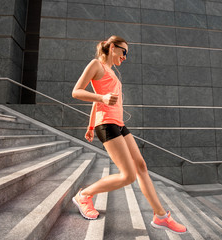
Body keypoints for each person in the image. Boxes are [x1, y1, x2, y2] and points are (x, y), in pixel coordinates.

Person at [71, 35, 187, 234]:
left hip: (118, 124)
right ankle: (85, 195)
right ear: (113, 47)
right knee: (128, 176)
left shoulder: (111, 71)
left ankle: (161, 217)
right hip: (106, 125)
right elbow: (76, 92)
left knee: (141, 165)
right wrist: (102, 98)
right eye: (124, 52)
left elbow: (96, 102)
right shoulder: (96, 64)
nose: (125, 57)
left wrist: (90, 127)